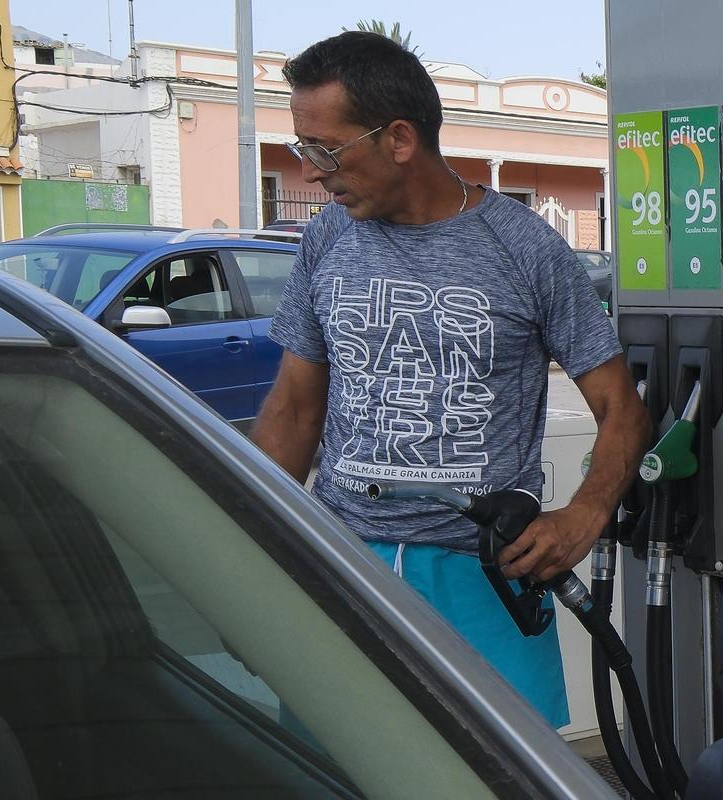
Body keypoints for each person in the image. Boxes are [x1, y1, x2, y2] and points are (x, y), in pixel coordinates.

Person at [252, 31, 650, 727]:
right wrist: (241, 556)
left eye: (325, 148)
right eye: (301, 149)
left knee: (497, 775)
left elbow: (621, 406)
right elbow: (291, 412)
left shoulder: (524, 247)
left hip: (481, 575)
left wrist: (584, 513)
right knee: (336, 766)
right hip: (345, 564)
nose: (312, 172)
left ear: (400, 139)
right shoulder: (327, 238)